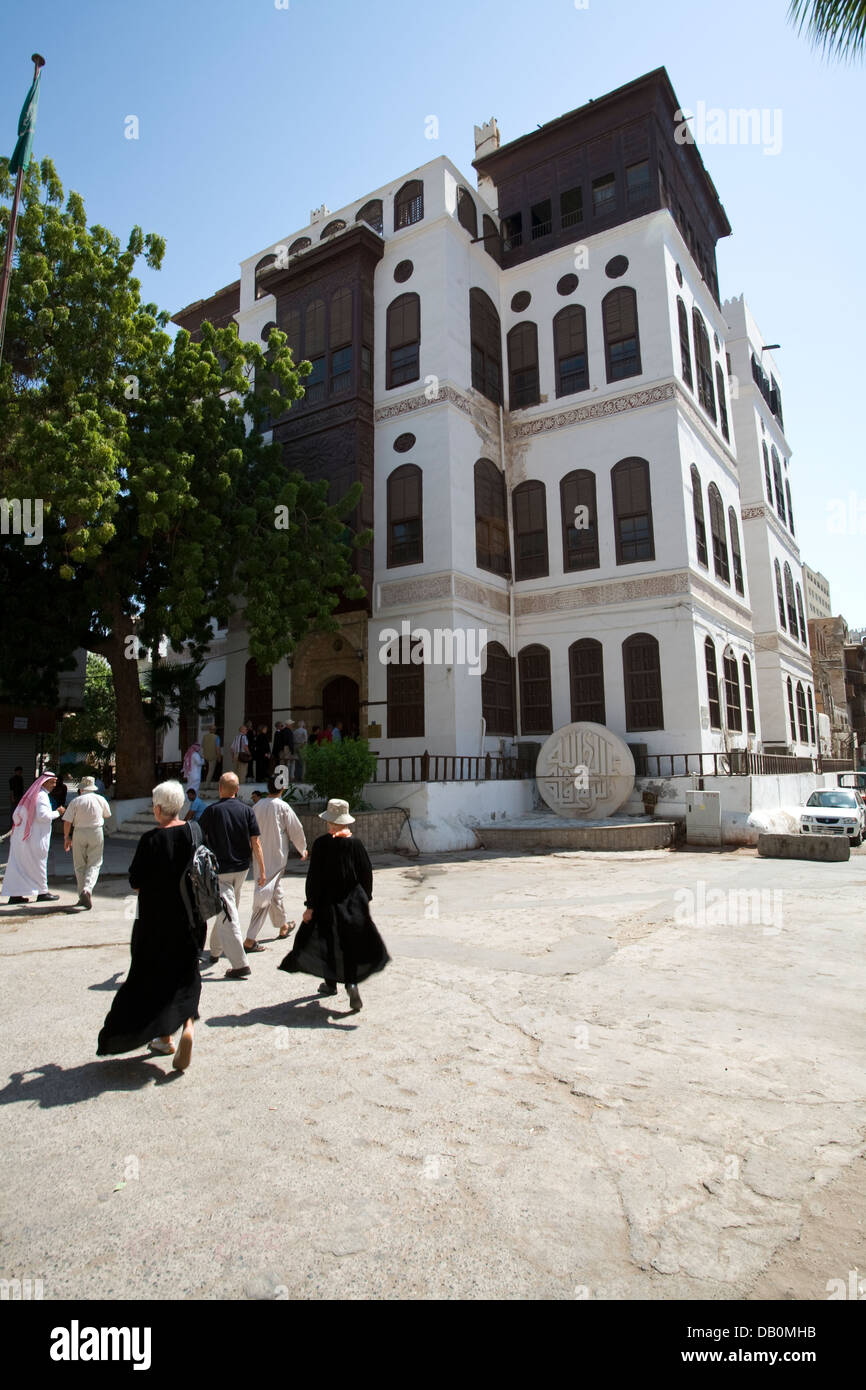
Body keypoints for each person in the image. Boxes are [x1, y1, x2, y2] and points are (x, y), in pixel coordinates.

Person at [96, 781, 200, 1071]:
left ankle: (164, 1035)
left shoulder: (151, 840)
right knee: (185, 973)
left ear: (157, 808)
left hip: (156, 922)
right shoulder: (195, 831)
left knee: (153, 976)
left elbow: (135, 881)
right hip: (191, 919)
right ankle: (187, 1026)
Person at [279, 798, 389, 1013]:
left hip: (325, 904)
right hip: (351, 905)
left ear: (329, 821)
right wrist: (365, 900)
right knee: (348, 945)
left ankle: (330, 984)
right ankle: (351, 984)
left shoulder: (321, 844)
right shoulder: (355, 844)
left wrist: (310, 905)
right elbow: (366, 874)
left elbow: (314, 878)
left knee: (327, 942)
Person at [199, 772, 266, 979]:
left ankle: (240, 964)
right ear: (237, 790)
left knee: (228, 913)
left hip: (221, 871)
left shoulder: (211, 812)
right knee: (229, 909)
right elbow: (256, 842)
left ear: (220, 788)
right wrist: (262, 870)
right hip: (242, 869)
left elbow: (198, 838)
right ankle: (216, 951)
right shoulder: (247, 811)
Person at [244, 775, 308, 952]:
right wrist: (302, 849)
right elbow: (296, 829)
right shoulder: (282, 807)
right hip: (277, 855)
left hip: (260, 856)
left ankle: (283, 926)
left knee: (274, 891)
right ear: (282, 788)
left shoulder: (257, 806)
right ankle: (250, 938)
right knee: (266, 893)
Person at [1, 772, 63, 905]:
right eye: (52, 782)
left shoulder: (33, 795)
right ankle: (42, 892)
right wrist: (58, 812)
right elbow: (43, 816)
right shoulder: (41, 796)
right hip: (34, 839)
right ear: (44, 782)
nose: (54, 785)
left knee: (19, 867)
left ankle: (15, 895)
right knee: (38, 865)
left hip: (22, 839)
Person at [61, 776, 112, 909]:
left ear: (81, 789)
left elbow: (67, 821)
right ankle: (87, 890)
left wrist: (66, 837)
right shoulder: (100, 799)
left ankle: (81, 894)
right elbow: (107, 815)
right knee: (95, 863)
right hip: (96, 831)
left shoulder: (76, 801)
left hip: (79, 832)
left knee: (79, 865)